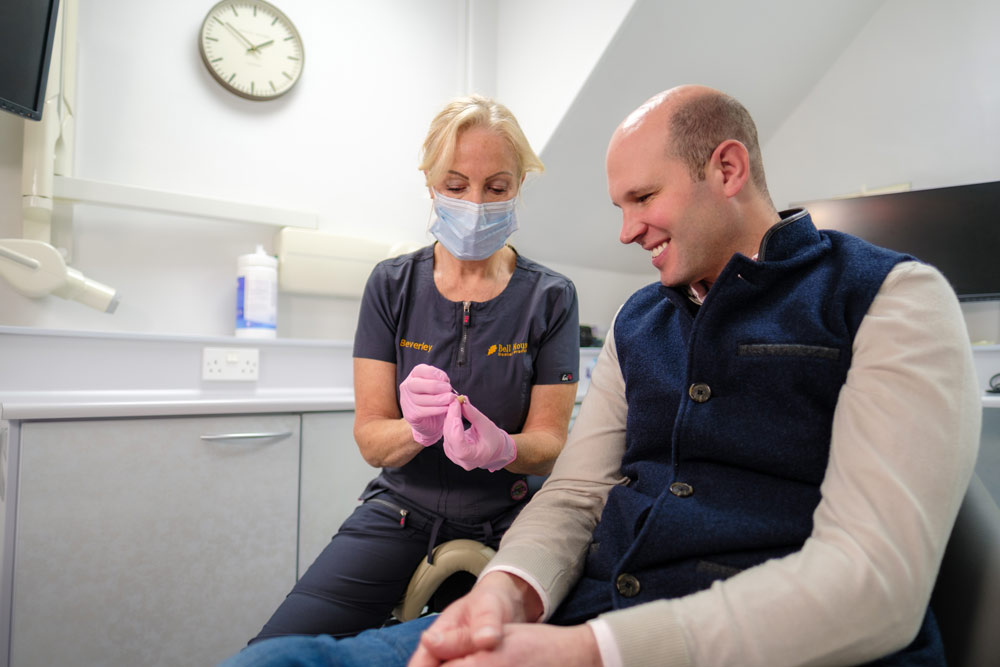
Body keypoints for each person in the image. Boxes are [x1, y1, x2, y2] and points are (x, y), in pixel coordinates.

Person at [222, 85, 980, 667]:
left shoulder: (889, 297)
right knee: (277, 658)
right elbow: (579, 494)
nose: (625, 230)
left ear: (727, 167)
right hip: (573, 611)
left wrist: (597, 651)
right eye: (619, 205)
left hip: (737, 642)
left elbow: (875, 584)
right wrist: (504, 592)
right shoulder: (639, 319)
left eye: (643, 198)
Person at [247, 95, 580, 642]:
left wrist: (505, 451)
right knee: (280, 651)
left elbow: (549, 440)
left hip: (514, 516)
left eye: (496, 188)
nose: (475, 203)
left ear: (518, 187)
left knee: (506, 648)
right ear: (429, 184)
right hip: (401, 510)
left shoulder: (550, 297)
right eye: (455, 185)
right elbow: (372, 439)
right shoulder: (392, 285)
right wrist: (415, 430)